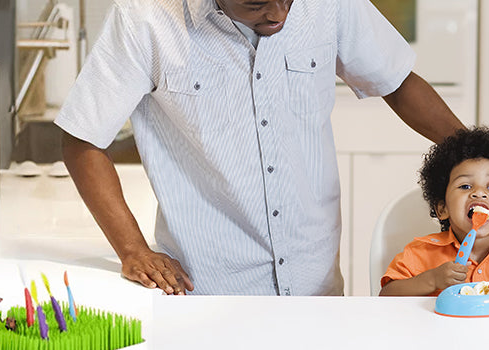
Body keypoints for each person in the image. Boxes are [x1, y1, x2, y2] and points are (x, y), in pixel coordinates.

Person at [55, 0, 465, 295]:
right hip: (207, 292)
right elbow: (81, 136)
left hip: (314, 289)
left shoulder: (329, 6)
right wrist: (132, 250)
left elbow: (396, 81)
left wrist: (481, 155)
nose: (280, 13)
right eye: (257, 5)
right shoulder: (144, 18)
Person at [379, 127, 489, 297]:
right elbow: (386, 297)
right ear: (442, 208)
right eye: (465, 186)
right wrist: (431, 280)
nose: (479, 192)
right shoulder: (419, 254)